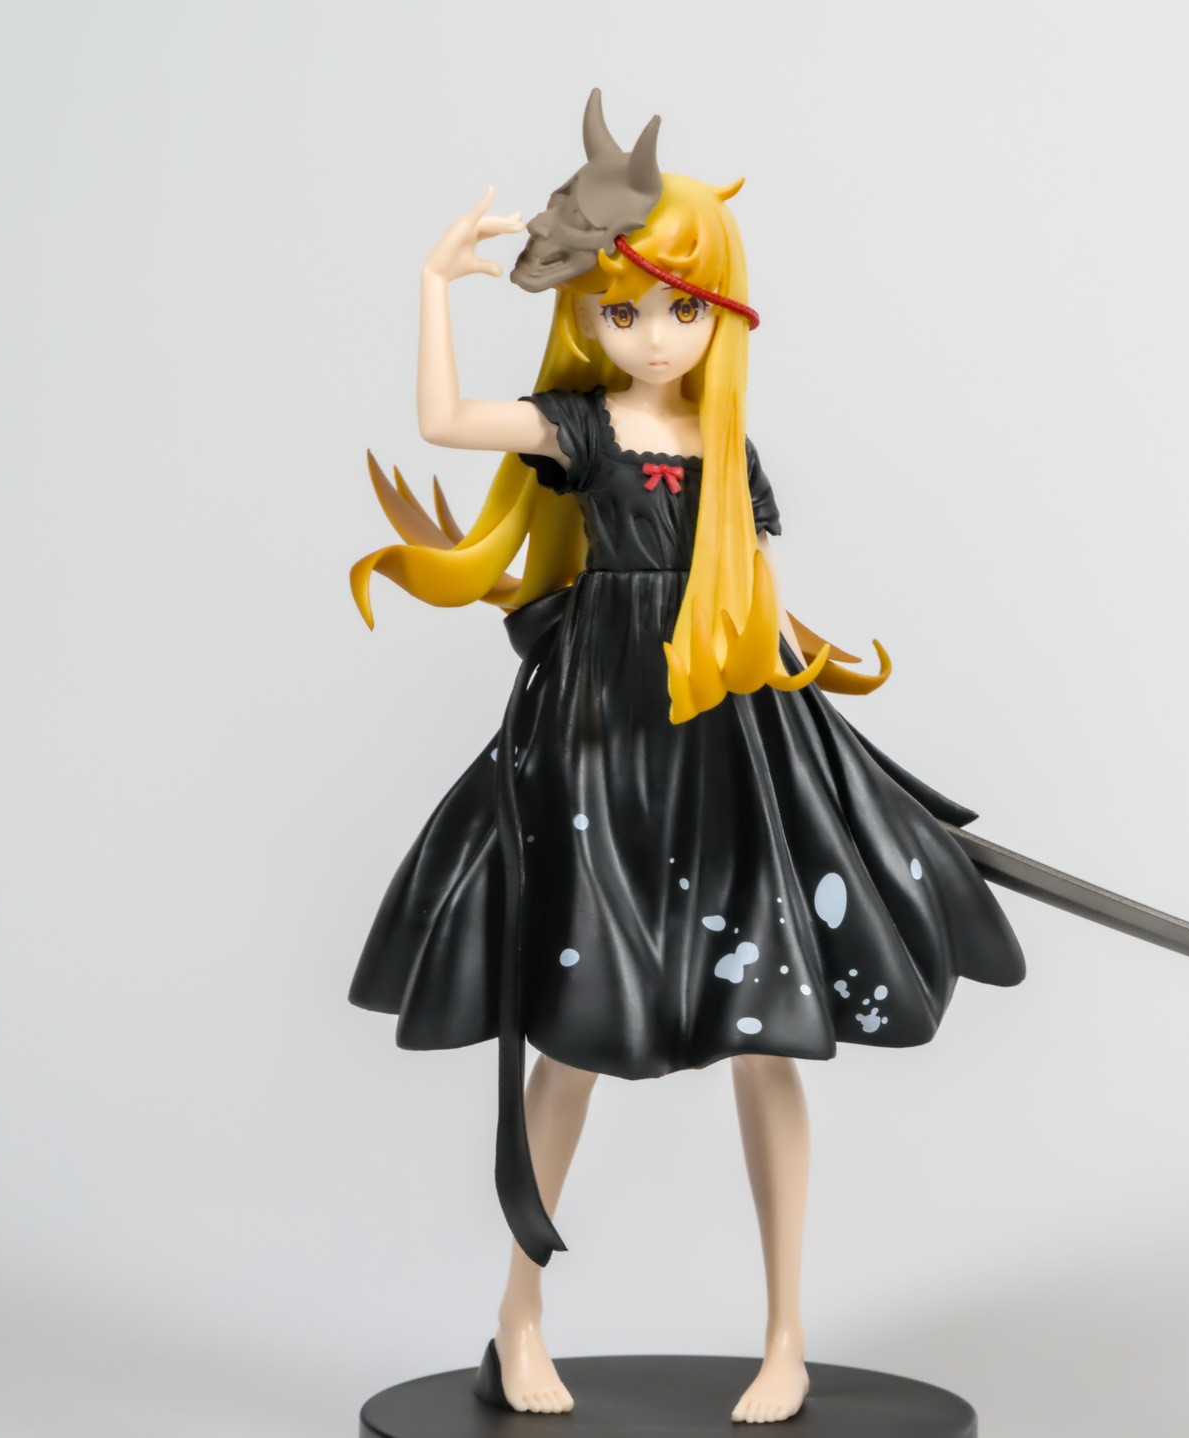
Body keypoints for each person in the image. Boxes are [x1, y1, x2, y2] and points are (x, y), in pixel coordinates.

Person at [346, 97, 1027, 1423]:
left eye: (681, 309)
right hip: (600, 747)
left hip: (724, 738)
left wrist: (826, 729)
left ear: (720, 314)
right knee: (571, 1036)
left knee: (770, 1034)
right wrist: (434, 284)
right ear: (588, 313)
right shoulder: (582, 429)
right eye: (624, 310)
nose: (654, 335)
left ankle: (787, 1336)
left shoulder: (726, 449)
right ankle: (517, 1320)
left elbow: (754, 601)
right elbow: (443, 419)